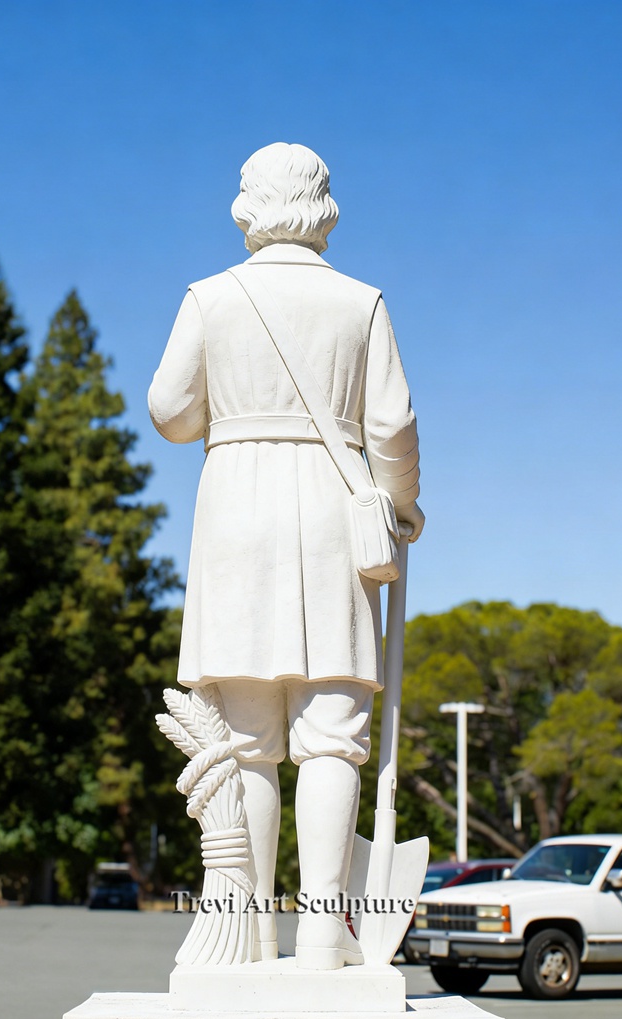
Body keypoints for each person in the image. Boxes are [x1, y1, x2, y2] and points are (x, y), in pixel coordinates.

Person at [148, 142, 424, 970]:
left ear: (249, 203)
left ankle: (249, 930)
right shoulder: (360, 302)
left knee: (244, 740)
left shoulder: (210, 297)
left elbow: (170, 413)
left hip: (236, 512)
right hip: (334, 514)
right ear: (323, 204)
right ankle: (325, 938)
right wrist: (402, 505)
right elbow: (393, 425)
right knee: (332, 736)